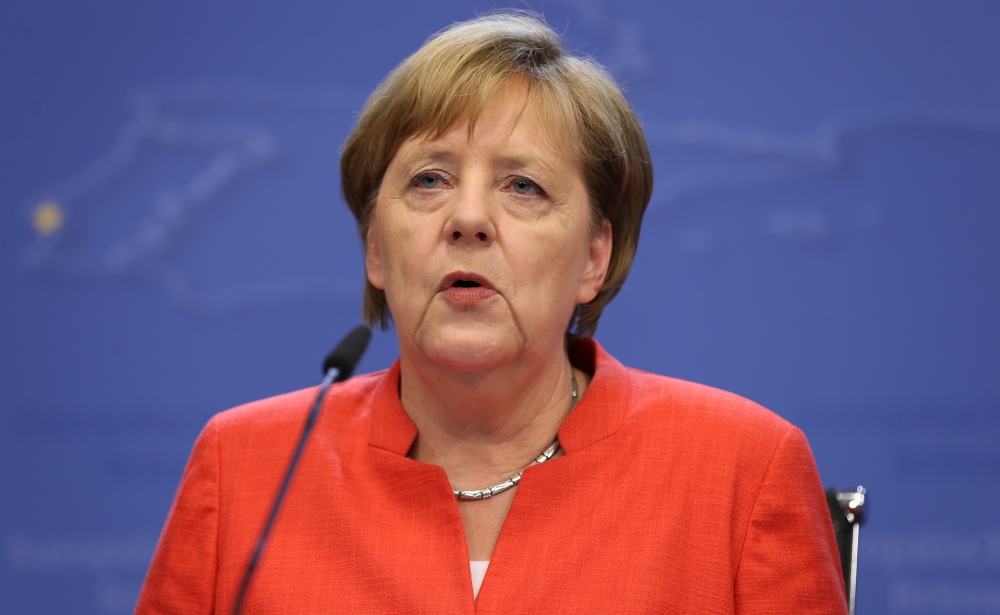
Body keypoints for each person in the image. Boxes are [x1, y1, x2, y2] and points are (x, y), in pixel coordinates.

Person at [136, 13, 847, 614]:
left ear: (594, 257)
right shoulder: (245, 469)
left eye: (523, 186)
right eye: (430, 179)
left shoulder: (742, 472)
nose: (468, 217)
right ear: (376, 248)